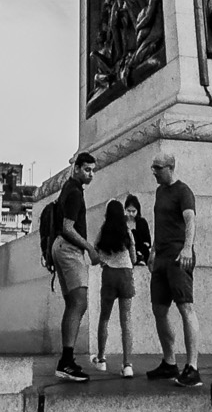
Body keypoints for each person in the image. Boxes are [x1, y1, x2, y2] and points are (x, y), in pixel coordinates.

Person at [146, 149, 201, 387]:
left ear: (170, 168)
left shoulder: (183, 191)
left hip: (179, 256)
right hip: (161, 257)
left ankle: (192, 367)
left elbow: (190, 220)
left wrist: (187, 248)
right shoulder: (160, 192)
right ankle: (169, 362)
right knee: (159, 309)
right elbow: (160, 224)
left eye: (158, 168)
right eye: (153, 167)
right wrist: (153, 251)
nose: (154, 172)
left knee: (185, 307)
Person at [53, 152, 99, 382]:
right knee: (79, 302)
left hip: (61, 247)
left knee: (73, 303)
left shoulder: (70, 188)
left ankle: (66, 360)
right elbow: (68, 227)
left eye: (93, 170)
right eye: (87, 169)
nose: (91, 174)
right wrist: (89, 248)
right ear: (77, 168)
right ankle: (66, 361)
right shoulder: (74, 193)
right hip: (69, 249)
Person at [91, 198, 138, 376]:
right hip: (125, 274)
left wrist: (104, 260)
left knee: (104, 318)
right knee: (126, 320)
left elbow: (95, 252)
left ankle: (101, 359)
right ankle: (127, 365)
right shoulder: (127, 232)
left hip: (109, 274)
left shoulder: (103, 231)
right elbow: (133, 258)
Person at [123, 193, 154, 266]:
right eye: (128, 211)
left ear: (137, 211)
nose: (131, 214)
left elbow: (148, 242)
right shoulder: (122, 222)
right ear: (125, 210)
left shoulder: (142, 222)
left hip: (141, 251)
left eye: (133, 211)